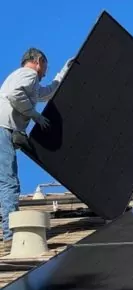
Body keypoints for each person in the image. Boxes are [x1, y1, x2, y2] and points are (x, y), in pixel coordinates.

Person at [0, 48, 73, 254]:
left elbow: (46, 93)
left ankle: (8, 232)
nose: (45, 73)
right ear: (38, 61)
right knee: (9, 183)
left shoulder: (26, 80)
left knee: (6, 182)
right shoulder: (28, 74)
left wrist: (63, 73)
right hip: (3, 129)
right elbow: (15, 94)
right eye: (46, 68)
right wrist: (34, 115)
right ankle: (10, 236)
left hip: (5, 130)